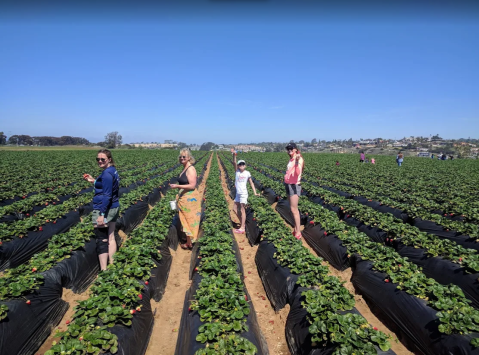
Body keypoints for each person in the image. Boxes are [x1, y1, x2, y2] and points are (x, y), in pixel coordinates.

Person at [83, 149, 120, 271]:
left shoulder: (107, 174)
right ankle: (113, 265)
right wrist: (94, 181)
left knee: (102, 238)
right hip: (113, 207)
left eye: (102, 159)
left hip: (104, 208)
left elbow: (107, 195)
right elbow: (106, 187)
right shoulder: (112, 171)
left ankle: (104, 270)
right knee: (111, 236)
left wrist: (101, 214)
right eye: (98, 159)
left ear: (109, 159)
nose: (100, 161)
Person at [169, 149, 201, 250]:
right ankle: (188, 241)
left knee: (190, 219)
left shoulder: (190, 169)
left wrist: (177, 186)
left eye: (184, 157)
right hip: (185, 198)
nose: (182, 158)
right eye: (181, 157)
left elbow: (192, 185)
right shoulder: (184, 168)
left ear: (189, 158)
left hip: (190, 198)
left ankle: (189, 242)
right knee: (185, 219)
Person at [231, 151, 259, 234]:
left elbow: (251, 183)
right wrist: (234, 155)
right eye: (240, 164)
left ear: (245, 165)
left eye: (243, 164)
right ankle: (242, 223)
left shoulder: (247, 173)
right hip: (238, 193)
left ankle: (242, 227)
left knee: (242, 210)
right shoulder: (237, 172)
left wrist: (255, 192)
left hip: (243, 193)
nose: (241, 165)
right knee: (234, 209)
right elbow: (234, 162)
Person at [284, 143, 304, 240]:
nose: (289, 150)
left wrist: (296, 163)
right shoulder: (291, 159)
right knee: (292, 209)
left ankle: (298, 232)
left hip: (294, 185)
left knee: (294, 209)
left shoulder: (298, 159)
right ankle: (295, 229)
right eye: (288, 149)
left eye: (291, 148)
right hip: (288, 185)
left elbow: (297, 173)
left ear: (295, 149)